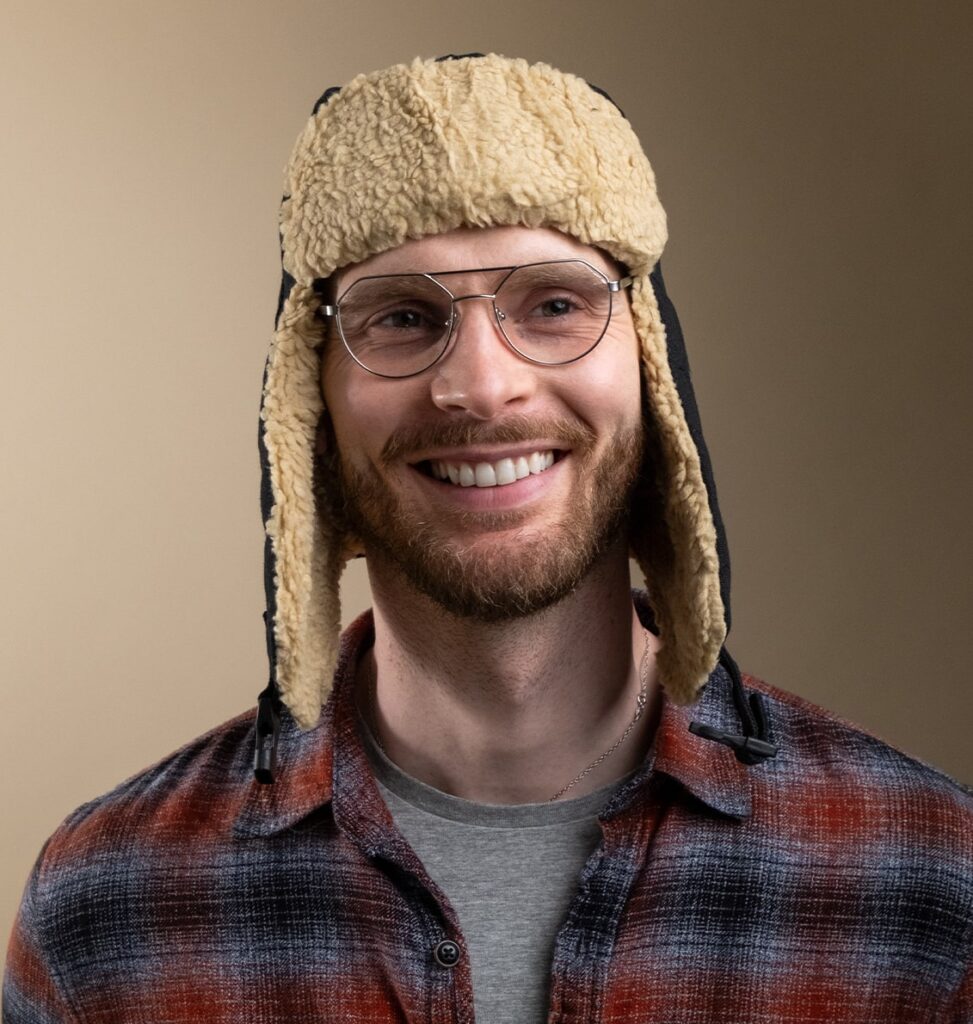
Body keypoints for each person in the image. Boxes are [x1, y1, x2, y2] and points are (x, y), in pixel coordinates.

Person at [4, 53, 971, 1024]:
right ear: (311, 404)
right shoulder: (110, 911)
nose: (480, 384)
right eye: (401, 317)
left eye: (553, 304)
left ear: (650, 365)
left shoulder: (931, 888)